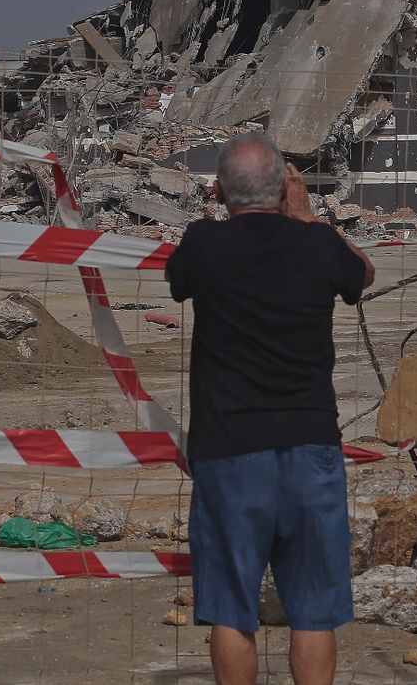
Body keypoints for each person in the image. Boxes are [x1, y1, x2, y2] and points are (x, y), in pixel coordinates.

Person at [165, 133, 375, 685]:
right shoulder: (318, 245)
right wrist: (308, 219)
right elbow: (363, 275)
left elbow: (177, 281)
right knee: (313, 609)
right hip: (311, 448)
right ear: (285, 185)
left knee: (230, 607)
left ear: (217, 189)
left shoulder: (203, 244)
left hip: (229, 451)